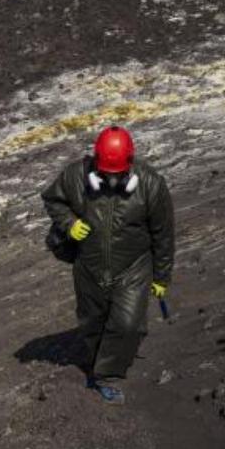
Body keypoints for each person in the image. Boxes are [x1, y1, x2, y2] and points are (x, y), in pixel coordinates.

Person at [40, 125, 175, 405]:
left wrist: (161, 277)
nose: (111, 180)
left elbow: (163, 234)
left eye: (117, 175)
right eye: (105, 174)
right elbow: (52, 200)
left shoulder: (151, 184)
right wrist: (69, 223)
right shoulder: (74, 175)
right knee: (93, 322)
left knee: (127, 323)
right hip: (89, 264)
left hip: (134, 266)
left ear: (130, 163)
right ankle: (98, 360)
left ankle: (106, 376)